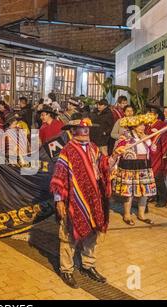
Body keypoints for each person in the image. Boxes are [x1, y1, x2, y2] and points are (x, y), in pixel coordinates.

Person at [50, 115, 122, 289]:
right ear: (73, 131)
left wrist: (115, 156)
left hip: (93, 198)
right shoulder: (67, 150)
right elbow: (59, 176)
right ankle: (66, 269)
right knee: (68, 235)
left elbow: (104, 166)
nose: (85, 132)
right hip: (73, 200)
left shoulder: (94, 148)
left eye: (87, 129)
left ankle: (88, 265)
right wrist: (59, 200)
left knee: (92, 233)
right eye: (82, 129)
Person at [113, 114, 157, 226]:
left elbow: (153, 150)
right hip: (130, 165)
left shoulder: (145, 136)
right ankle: (127, 215)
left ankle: (141, 214)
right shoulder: (126, 136)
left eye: (143, 125)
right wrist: (122, 148)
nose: (142, 127)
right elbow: (119, 148)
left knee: (145, 191)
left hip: (144, 165)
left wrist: (147, 140)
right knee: (129, 191)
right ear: (133, 126)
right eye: (139, 125)